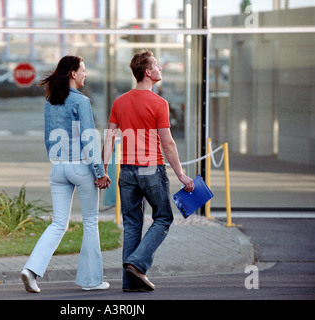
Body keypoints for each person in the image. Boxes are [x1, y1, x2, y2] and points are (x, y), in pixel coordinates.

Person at [101, 50, 195, 292]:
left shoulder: (119, 102)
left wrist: (104, 169)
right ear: (147, 72)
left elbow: (109, 137)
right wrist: (181, 175)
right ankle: (137, 264)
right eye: (156, 65)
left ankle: (129, 282)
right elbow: (168, 143)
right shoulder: (159, 103)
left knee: (132, 225)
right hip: (151, 169)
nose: (160, 68)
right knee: (163, 218)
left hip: (127, 171)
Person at [20, 55, 111, 293]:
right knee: (90, 222)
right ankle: (91, 281)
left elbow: (47, 136)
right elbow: (89, 139)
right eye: (83, 69)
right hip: (80, 167)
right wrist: (100, 172)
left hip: (58, 167)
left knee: (59, 222)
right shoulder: (81, 102)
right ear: (73, 73)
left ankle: (30, 270)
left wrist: (57, 160)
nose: (86, 74)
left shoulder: (51, 100)